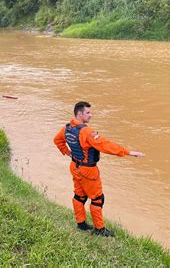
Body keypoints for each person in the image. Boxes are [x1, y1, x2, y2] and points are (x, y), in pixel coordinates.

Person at [53, 101, 145, 237]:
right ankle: (100, 229)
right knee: (97, 199)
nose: (91, 115)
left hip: (75, 166)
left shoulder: (67, 128)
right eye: (88, 112)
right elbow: (105, 145)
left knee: (79, 196)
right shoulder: (87, 132)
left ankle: (81, 223)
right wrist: (128, 152)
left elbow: (57, 140)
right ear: (79, 113)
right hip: (88, 171)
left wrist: (67, 152)